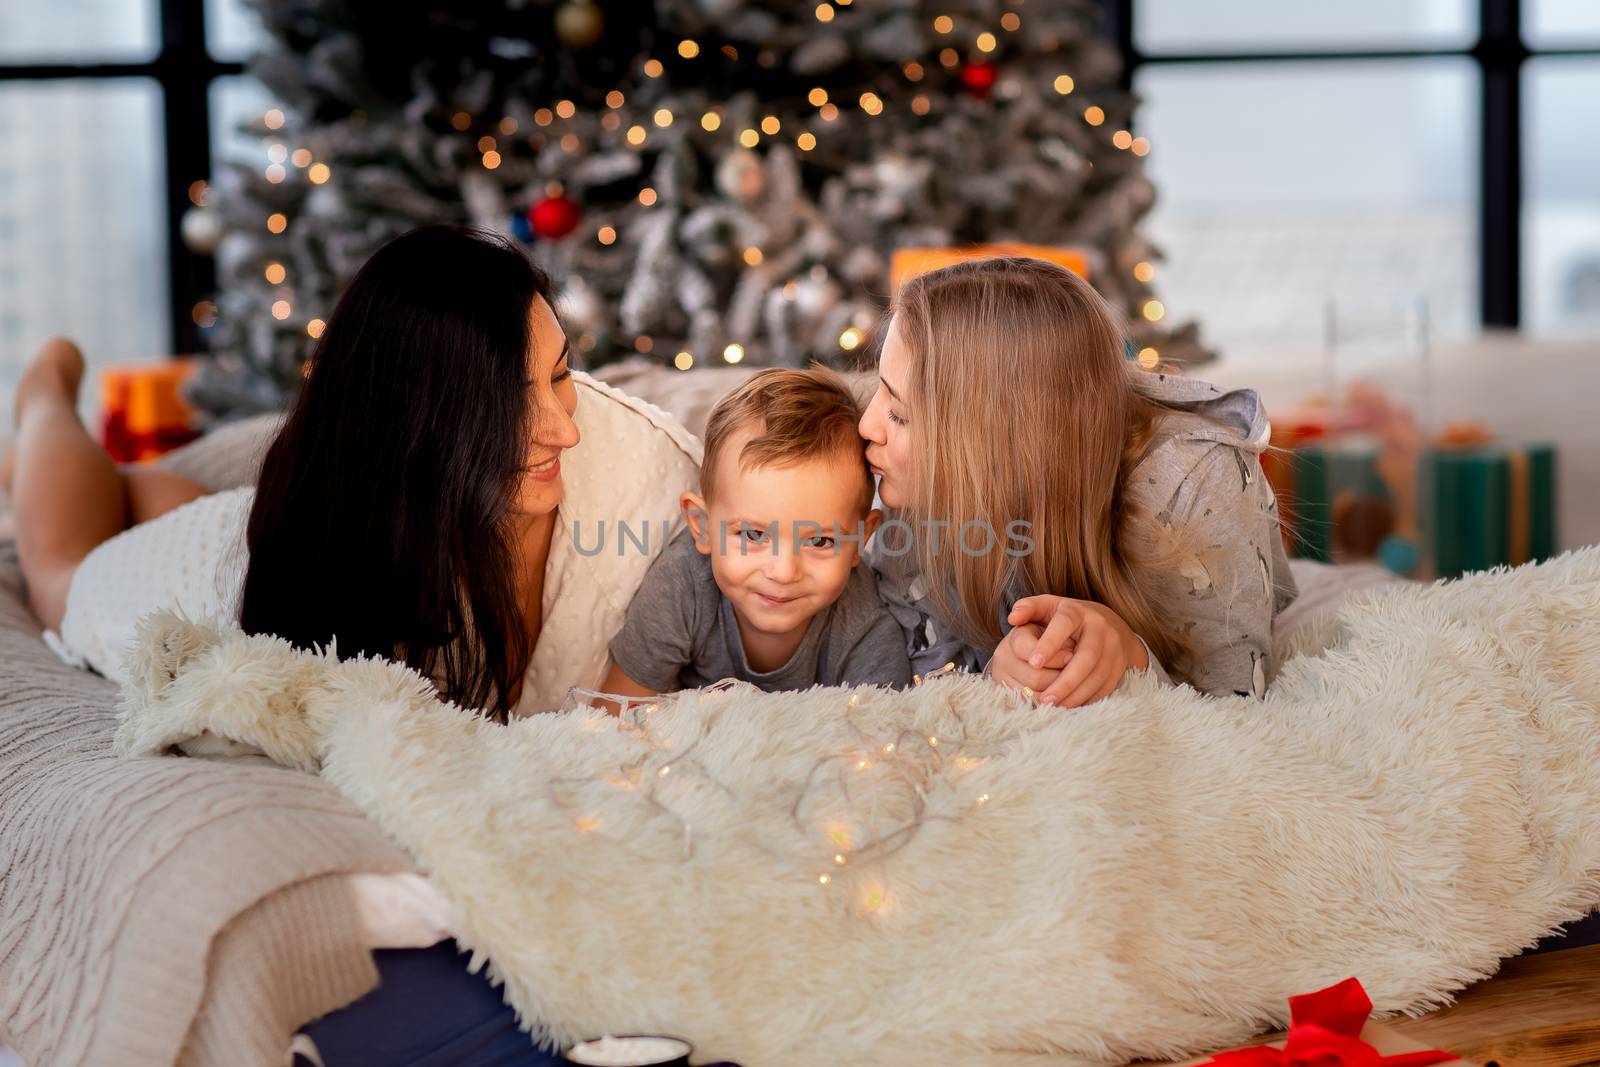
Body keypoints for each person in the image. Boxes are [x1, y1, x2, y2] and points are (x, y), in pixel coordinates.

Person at [7, 225, 700, 721]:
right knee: (61, 570)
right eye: (513, 406)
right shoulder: (301, 582)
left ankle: (146, 485)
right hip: (228, 561)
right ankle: (44, 392)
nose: (567, 430)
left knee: (163, 496)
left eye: (559, 376)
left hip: (281, 515)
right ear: (420, 425)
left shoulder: (629, 477)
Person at [857, 256, 1297, 706]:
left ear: (999, 437)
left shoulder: (1192, 480)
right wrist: (998, 674)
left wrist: (1130, 656)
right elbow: (917, 675)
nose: (867, 426)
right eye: (880, 391)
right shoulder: (906, 479)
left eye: (899, 413)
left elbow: (1234, 701)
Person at [603, 366, 910, 701]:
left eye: (820, 541)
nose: (783, 572)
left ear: (859, 541)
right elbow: (613, 714)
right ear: (703, 527)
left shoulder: (865, 626)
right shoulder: (681, 587)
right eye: (752, 535)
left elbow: (884, 740)